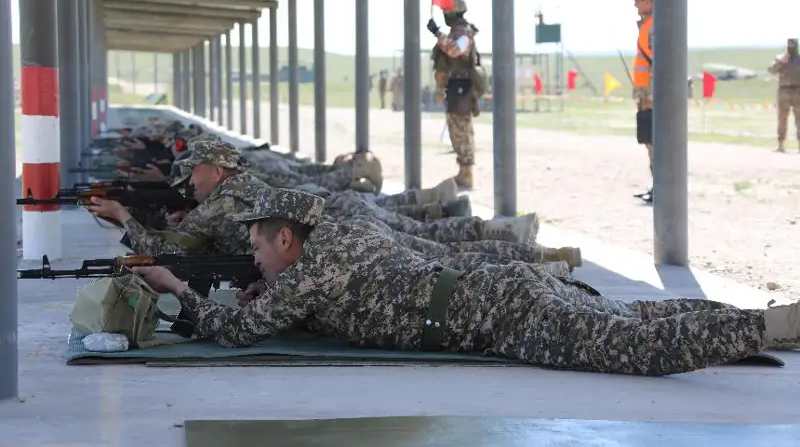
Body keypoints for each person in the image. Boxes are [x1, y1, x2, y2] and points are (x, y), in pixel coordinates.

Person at [134, 188, 800, 377]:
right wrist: (275, 294)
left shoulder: (310, 276)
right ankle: (764, 321)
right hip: (499, 288)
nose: (256, 260)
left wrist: (176, 289)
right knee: (632, 322)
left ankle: (771, 325)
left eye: (259, 245)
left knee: (638, 351)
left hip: (500, 315)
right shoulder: (339, 244)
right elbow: (324, 297)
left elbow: (233, 332)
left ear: (286, 238)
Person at [88, 139, 268, 256]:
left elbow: (163, 254)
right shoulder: (253, 184)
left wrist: (120, 215)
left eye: (194, 172)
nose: (191, 182)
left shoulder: (216, 207)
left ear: (216, 172)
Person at [427, 0, 488, 190]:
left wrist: (437, 33)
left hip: (462, 88)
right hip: (454, 88)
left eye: (446, 11)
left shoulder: (463, 33)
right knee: (456, 129)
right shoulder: (456, 32)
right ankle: (463, 171)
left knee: (461, 129)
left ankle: (467, 173)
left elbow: (454, 50)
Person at [631, 0, 655, 204]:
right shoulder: (647, 25)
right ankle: (657, 186)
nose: (636, 5)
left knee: (655, 142)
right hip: (647, 94)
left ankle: (661, 188)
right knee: (650, 141)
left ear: (648, 1)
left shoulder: (653, 26)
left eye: (638, 0)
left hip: (652, 96)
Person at [767, 38, 800, 153]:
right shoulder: (780, 58)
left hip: (797, 91)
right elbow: (772, 71)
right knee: (782, 118)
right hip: (784, 91)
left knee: (799, 120)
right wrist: (782, 61)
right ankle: (781, 145)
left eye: (793, 46)